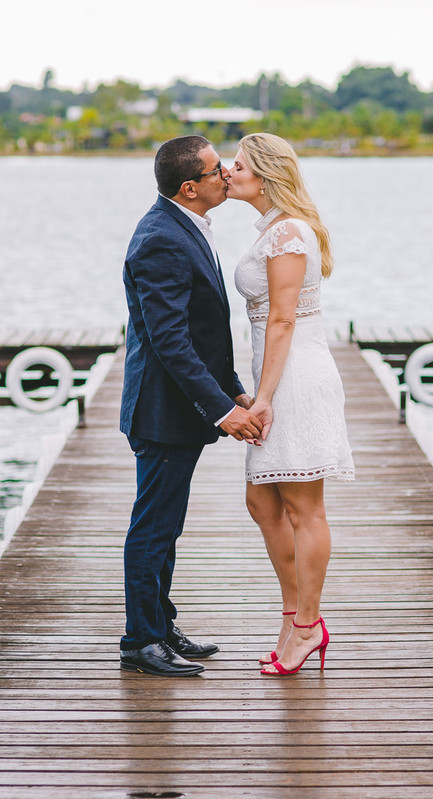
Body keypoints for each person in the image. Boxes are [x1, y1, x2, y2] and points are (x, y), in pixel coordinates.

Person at [119, 135, 263, 677]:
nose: (226, 173)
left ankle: (160, 623)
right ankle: (140, 640)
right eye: (215, 169)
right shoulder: (160, 238)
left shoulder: (186, 225)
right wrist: (224, 412)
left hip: (179, 406)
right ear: (189, 187)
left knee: (167, 523)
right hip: (161, 410)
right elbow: (169, 341)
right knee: (154, 525)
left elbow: (203, 332)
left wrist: (232, 389)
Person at [226, 132, 355, 677]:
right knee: (262, 503)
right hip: (277, 373)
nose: (227, 172)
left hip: (295, 379)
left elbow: (282, 320)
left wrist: (265, 398)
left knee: (304, 509)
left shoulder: (290, 234)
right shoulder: (272, 230)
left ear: (265, 174)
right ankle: (294, 616)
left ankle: (307, 626)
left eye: (237, 165)